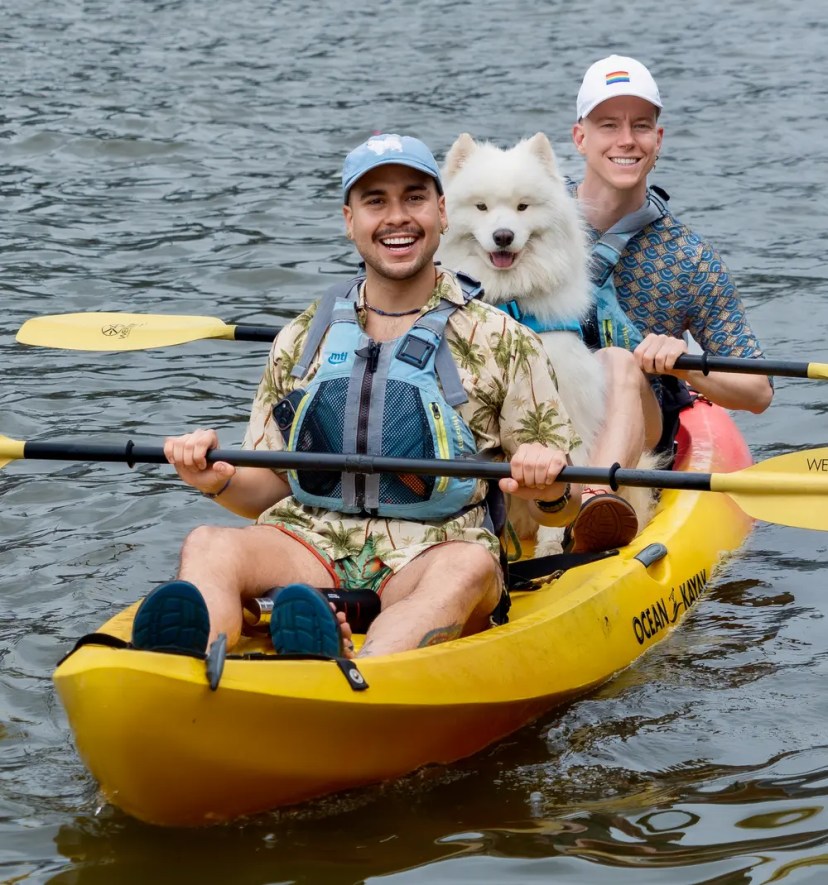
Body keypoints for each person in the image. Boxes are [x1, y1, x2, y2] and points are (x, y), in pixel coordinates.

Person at [131, 133, 583, 661]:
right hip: (307, 544)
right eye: (376, 201)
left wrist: (546, 483)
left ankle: (361, 671)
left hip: (434, 555)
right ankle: (193, 660)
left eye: (414, 198)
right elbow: (264, 491)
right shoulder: (302, 339)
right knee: (208, 543)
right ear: (350, 219)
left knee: (468, 567)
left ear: (441, 212)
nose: (397, 218)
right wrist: (214, 480)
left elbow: (562, 511)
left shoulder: (505, 341)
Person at [564, 54, 773, 548]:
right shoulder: (531, 222)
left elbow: (758, 391)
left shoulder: (689, 258)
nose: (626, 140)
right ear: (580, 138)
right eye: (608, 125)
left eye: (641, 126)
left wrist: (683, 366)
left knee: (617, 364)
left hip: (641, 419)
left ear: (658, 140)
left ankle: (597, 502)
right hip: (542, 404)